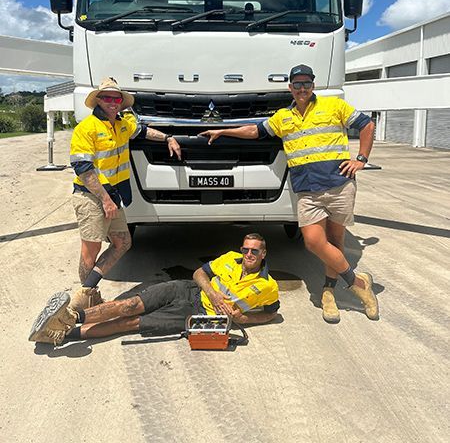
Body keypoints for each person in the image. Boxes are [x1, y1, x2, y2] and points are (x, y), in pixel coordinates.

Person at [200, 64, 379, 324]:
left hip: (339, 184)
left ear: (313, 85)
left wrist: (361, 159)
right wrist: (222, 130)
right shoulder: (283, 117)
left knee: (335, 242)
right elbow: (255, 131)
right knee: (314, 242)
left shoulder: (334, 107)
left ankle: (328, 292)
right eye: (297, 84)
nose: (302, 88)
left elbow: (367, 125)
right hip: (308, 190)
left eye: (307, 83)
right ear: (290, 88)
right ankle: (358, 283)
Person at [29, 233, 280, 346]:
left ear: (263, 253)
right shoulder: (229, 257)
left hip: (198, 317)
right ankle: (68, 318)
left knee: (129, 323)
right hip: (187, 289)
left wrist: (242, 318)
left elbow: (272, 314)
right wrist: (213, 294)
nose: (248, 254)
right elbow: (199, 273)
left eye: (254, 251)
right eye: (245, 249)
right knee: (128, 306)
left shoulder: (268, 286)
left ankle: (60, 335)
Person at [69, 77, 182, 313]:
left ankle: (88, 291)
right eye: (107, 98)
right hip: (92, 196)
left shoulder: (122, 125)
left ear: (121, 103)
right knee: (90, 251)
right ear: (98, 100)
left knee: (123, 242)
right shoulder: (86, 129)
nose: (112, 102)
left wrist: (168, 138)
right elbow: (83, 169)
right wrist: (104, 199)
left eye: (116, 98)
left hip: (113, 196)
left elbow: (143, 131)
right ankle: (85, 299)